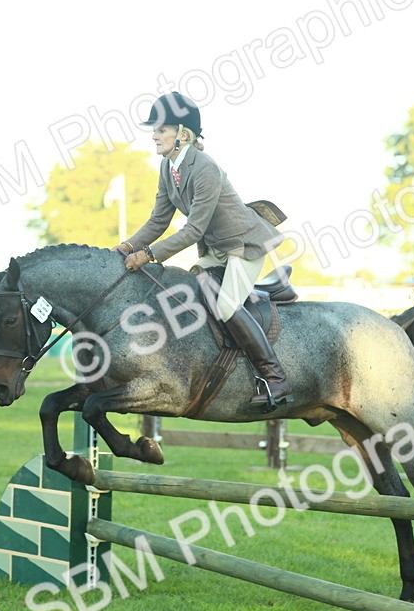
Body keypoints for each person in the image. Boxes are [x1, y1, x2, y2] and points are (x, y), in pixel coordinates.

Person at [114, 92, 292, 412]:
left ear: (183, 134)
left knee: (225, 306)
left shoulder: (205, 168)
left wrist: (149, 255)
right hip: (215, 250)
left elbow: (193, 230)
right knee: (196, 293)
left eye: (161, 130)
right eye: (154, 130)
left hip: (242, 246)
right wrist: (127, 246)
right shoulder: (168, 167)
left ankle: (275, 377)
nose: (154, 135)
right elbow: (158, 221)